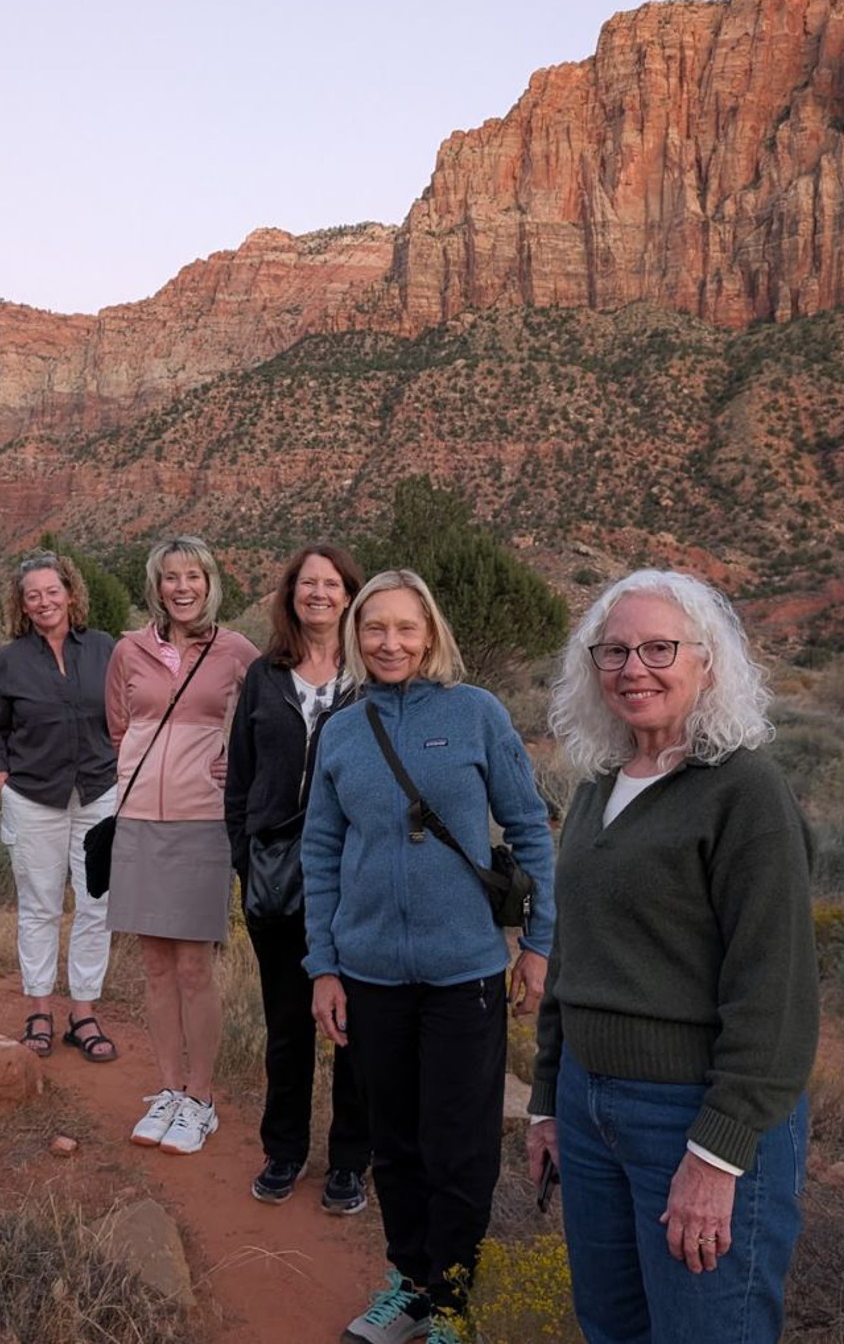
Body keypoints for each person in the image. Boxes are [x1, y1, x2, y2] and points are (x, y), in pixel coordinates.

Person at [528, 570, 817, 1344]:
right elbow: (573, 953)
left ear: (707, 661)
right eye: (614, 650)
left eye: (659, 647)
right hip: (591, 1107)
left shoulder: (745, 791)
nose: (634, 667)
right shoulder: (597, 785)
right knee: (612, 1326)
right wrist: (549, 1099)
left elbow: (775, 988)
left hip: (691, 1114)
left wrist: (717, 1154)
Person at [304, 569, 556, 1344]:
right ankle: (409, 1284)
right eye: (375, 628)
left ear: (431, 632)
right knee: (397, 1140)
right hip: (371, 973)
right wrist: (323, 965)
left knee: (461, 1141)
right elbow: (319, 848)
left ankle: (450, 1300)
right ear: (355, 634)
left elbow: (531, 830)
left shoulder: (477, 714)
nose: (390, 642)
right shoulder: (342, 730)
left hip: (465, 974)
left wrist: (538, 944)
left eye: (405, 628)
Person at [224, 544, 372, 1214]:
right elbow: (241, 775)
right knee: (288, 1023)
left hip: (357, 875)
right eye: (307, 583)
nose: (318, 593)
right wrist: (244, 853)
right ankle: (284, 1151)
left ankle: (350, 1160)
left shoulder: (373, 677)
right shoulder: (264, 675)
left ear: (349, 594)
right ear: (291, 595)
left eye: (331, 583)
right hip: (277, 874)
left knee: (355, 1026)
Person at [104, 536, 259, 1155]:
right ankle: (167, 1091)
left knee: (194, 967)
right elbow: (120, 725)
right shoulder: (128, 650)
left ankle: (200, 1099)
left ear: (211, 582)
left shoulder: (237, 651)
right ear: (157, 586)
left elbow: (262, 723)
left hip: (201, 823)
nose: (182, 587)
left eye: (193, 575)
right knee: (155, 965)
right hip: (138, 819)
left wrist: (235, 765)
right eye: (171, 577)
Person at [0, 552, 121, 1062]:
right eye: (32, 595)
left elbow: (126, 714)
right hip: (34, 797)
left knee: (96, 906)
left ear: (70, 592)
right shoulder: (10, 659)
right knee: (39, 907)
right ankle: (39, 1009)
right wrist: (2, 782)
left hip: (100, 793)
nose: (44, 602)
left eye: (51, 591)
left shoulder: (105, 648)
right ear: (22, 604)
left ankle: (82, 1014)